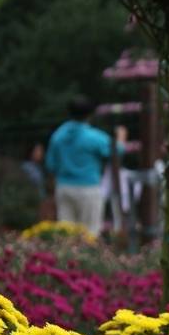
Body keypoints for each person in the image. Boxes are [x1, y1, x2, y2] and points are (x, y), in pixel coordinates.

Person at [45, 95, 126, 237]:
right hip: (88, 189)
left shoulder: (58, 135)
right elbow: (117, 150)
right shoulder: (93, 136)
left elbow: (50, 165)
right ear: (90, 114)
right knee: (90, 233)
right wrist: (121, 136)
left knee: (66, 234)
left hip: (64, 188)